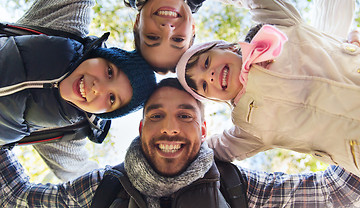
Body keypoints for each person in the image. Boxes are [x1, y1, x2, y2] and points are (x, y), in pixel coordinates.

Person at [1, 78, 360, 207]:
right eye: (156, 116)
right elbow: (15, 198)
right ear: (141, 128)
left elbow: (336, 192)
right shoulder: (101, 191)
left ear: (204, 130)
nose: (169, 128)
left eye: (185, 116)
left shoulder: (243, 190)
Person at [176, 0, 360, 177]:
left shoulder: (275, 28)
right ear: (214, 99)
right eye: (203, 86)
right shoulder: (248, 126)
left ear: (227, 47)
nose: (209, 76)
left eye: (207, 63)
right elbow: (215, 149)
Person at [0, 0, 156, 180]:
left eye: (111, 98)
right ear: (99, 55)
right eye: (109, 71)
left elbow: (84, 179)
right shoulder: (62, 26)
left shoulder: (67, 131)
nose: (97, 87)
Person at [78, 0, 358, 74]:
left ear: (137, 21)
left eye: (152, 37)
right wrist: (332, 52)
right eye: (178, 39)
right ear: (193, 29)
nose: (168, 29)